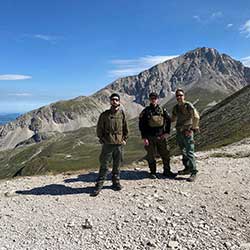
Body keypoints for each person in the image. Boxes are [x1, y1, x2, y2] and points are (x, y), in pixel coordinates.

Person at [91, 93, 129, 196]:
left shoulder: (122, 114)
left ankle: (115, 182)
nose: (114, 101)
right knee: (104, 164)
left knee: (117, 164)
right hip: (108, 143)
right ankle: (99, 184)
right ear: (110, 101)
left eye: (116, 100)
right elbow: (99, 128)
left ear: (119, 102)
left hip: (119, 144)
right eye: (112, 100)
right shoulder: (104, 115)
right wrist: (102, 139)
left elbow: (126, 128)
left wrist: (125, 139)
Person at [139, 92, 176, 179]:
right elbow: (141, 125)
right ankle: (153, 172)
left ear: (157, 99)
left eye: (155, 98)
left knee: (165, 154)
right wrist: (144, 137)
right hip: (149, 137)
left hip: (161, 136)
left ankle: (167, 171)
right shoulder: (146, 111)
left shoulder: (163, 110)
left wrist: (167, 132)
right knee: (151, 155)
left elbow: (168, 121)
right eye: (152, 98)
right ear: (149, 100)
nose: (153, 100)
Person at [172, 88, 200, 182]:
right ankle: (187, 168)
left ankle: (193, 172)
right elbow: (173, 119)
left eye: (181, 95)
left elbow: (196, 116)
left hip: (187, 132)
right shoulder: (176, 108)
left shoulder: (188, 105)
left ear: (184, 96)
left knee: (189, 152)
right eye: (177, 95)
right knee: (183, 151)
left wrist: (192, 128)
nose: (179, 97)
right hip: (179, 132)